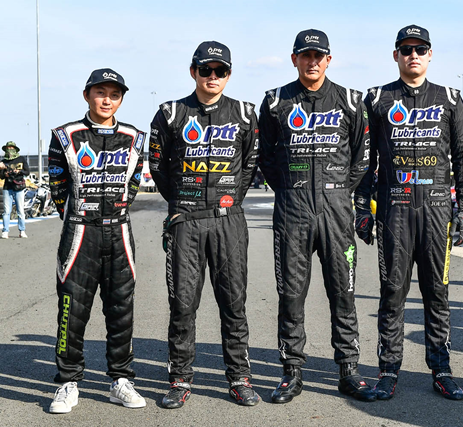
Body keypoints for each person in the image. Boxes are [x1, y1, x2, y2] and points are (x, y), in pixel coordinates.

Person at [354, 24, 463, 401]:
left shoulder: (450, 98)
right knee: (393, 292)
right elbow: (365, 159)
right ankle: (389, 370)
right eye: (406, 49)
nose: (413, 55)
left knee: (437, 293)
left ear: (430, 54)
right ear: (396, 55)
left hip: (437, 211)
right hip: (395, 211)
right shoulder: (378, 98)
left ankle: (441, 370)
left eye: (420, 49)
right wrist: (362, 208)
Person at [258, 29, 373, 403]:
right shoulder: (275, 101)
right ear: (294, 59)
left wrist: (338, 189)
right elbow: (265, 157)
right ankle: (291, 371)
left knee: (344, 292)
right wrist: (289, 188)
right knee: (291, 294)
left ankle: (349, 370)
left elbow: (362, 158)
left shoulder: (351, 101)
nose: (312, 62)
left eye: (318, 56)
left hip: (336, 209)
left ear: (328, 59)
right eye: (305, 55)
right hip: (292, 210)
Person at [149, 41, 260, 409]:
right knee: (182, 304)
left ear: (228, 74)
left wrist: (228, 200)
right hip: (186, 221)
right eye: (206, 69)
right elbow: (157, 167)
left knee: (234, 302)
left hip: (229, 221)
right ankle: (180, 378)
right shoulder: (170, 113)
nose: (213, 76)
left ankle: (239, 377)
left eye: (220, 70)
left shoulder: (244, 113)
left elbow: (250, 165)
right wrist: (181, 201)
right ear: (193, 71)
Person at [47, 68, 146, 413]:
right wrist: (81, 217)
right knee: (71, 310)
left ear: (121, 99)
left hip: (119, 231)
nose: (107, 100)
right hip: (79, 233)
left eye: (114, 95)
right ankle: (68, 382)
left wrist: (113, 212)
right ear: (87, 95)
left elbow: (133, 184)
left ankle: (121, 380)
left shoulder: (135, 137)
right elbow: (58, 188)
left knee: (121, 310)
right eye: (100, 93)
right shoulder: (65, 135)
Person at [1, 141, 30, 239]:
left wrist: (19, 171)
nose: (10, 150)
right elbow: (1, 176)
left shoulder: (21, 159)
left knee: (20, 210)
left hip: (19, 187)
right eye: (8, 148)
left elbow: (27, 171)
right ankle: (5, 231)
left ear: (15, 149)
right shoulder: (3, 161)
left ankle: (22, 230)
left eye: (11, 148)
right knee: (6, 211)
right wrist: (4, 173)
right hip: (7, 188)